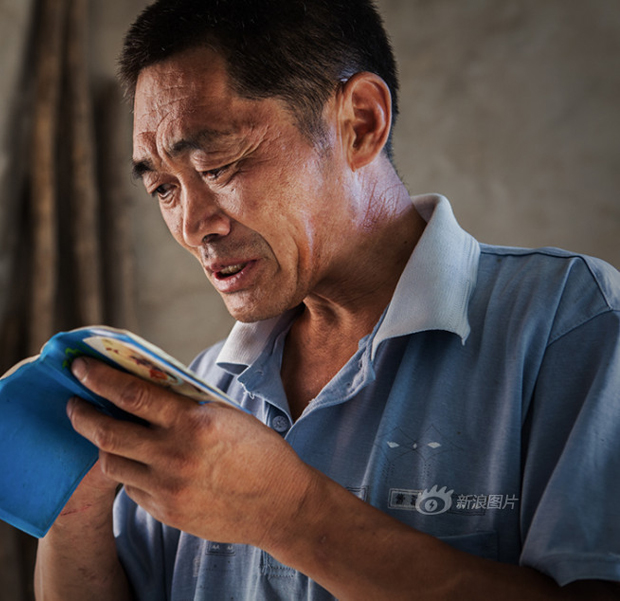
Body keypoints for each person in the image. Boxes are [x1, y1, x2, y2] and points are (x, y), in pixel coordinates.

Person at [34, 1, 620, 599]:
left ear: (360, 123)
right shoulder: (203, 391)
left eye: (218, 164)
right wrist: (70, 508)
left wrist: (288, 513)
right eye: (162, 187)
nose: (191, 225)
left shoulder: (567, 325)